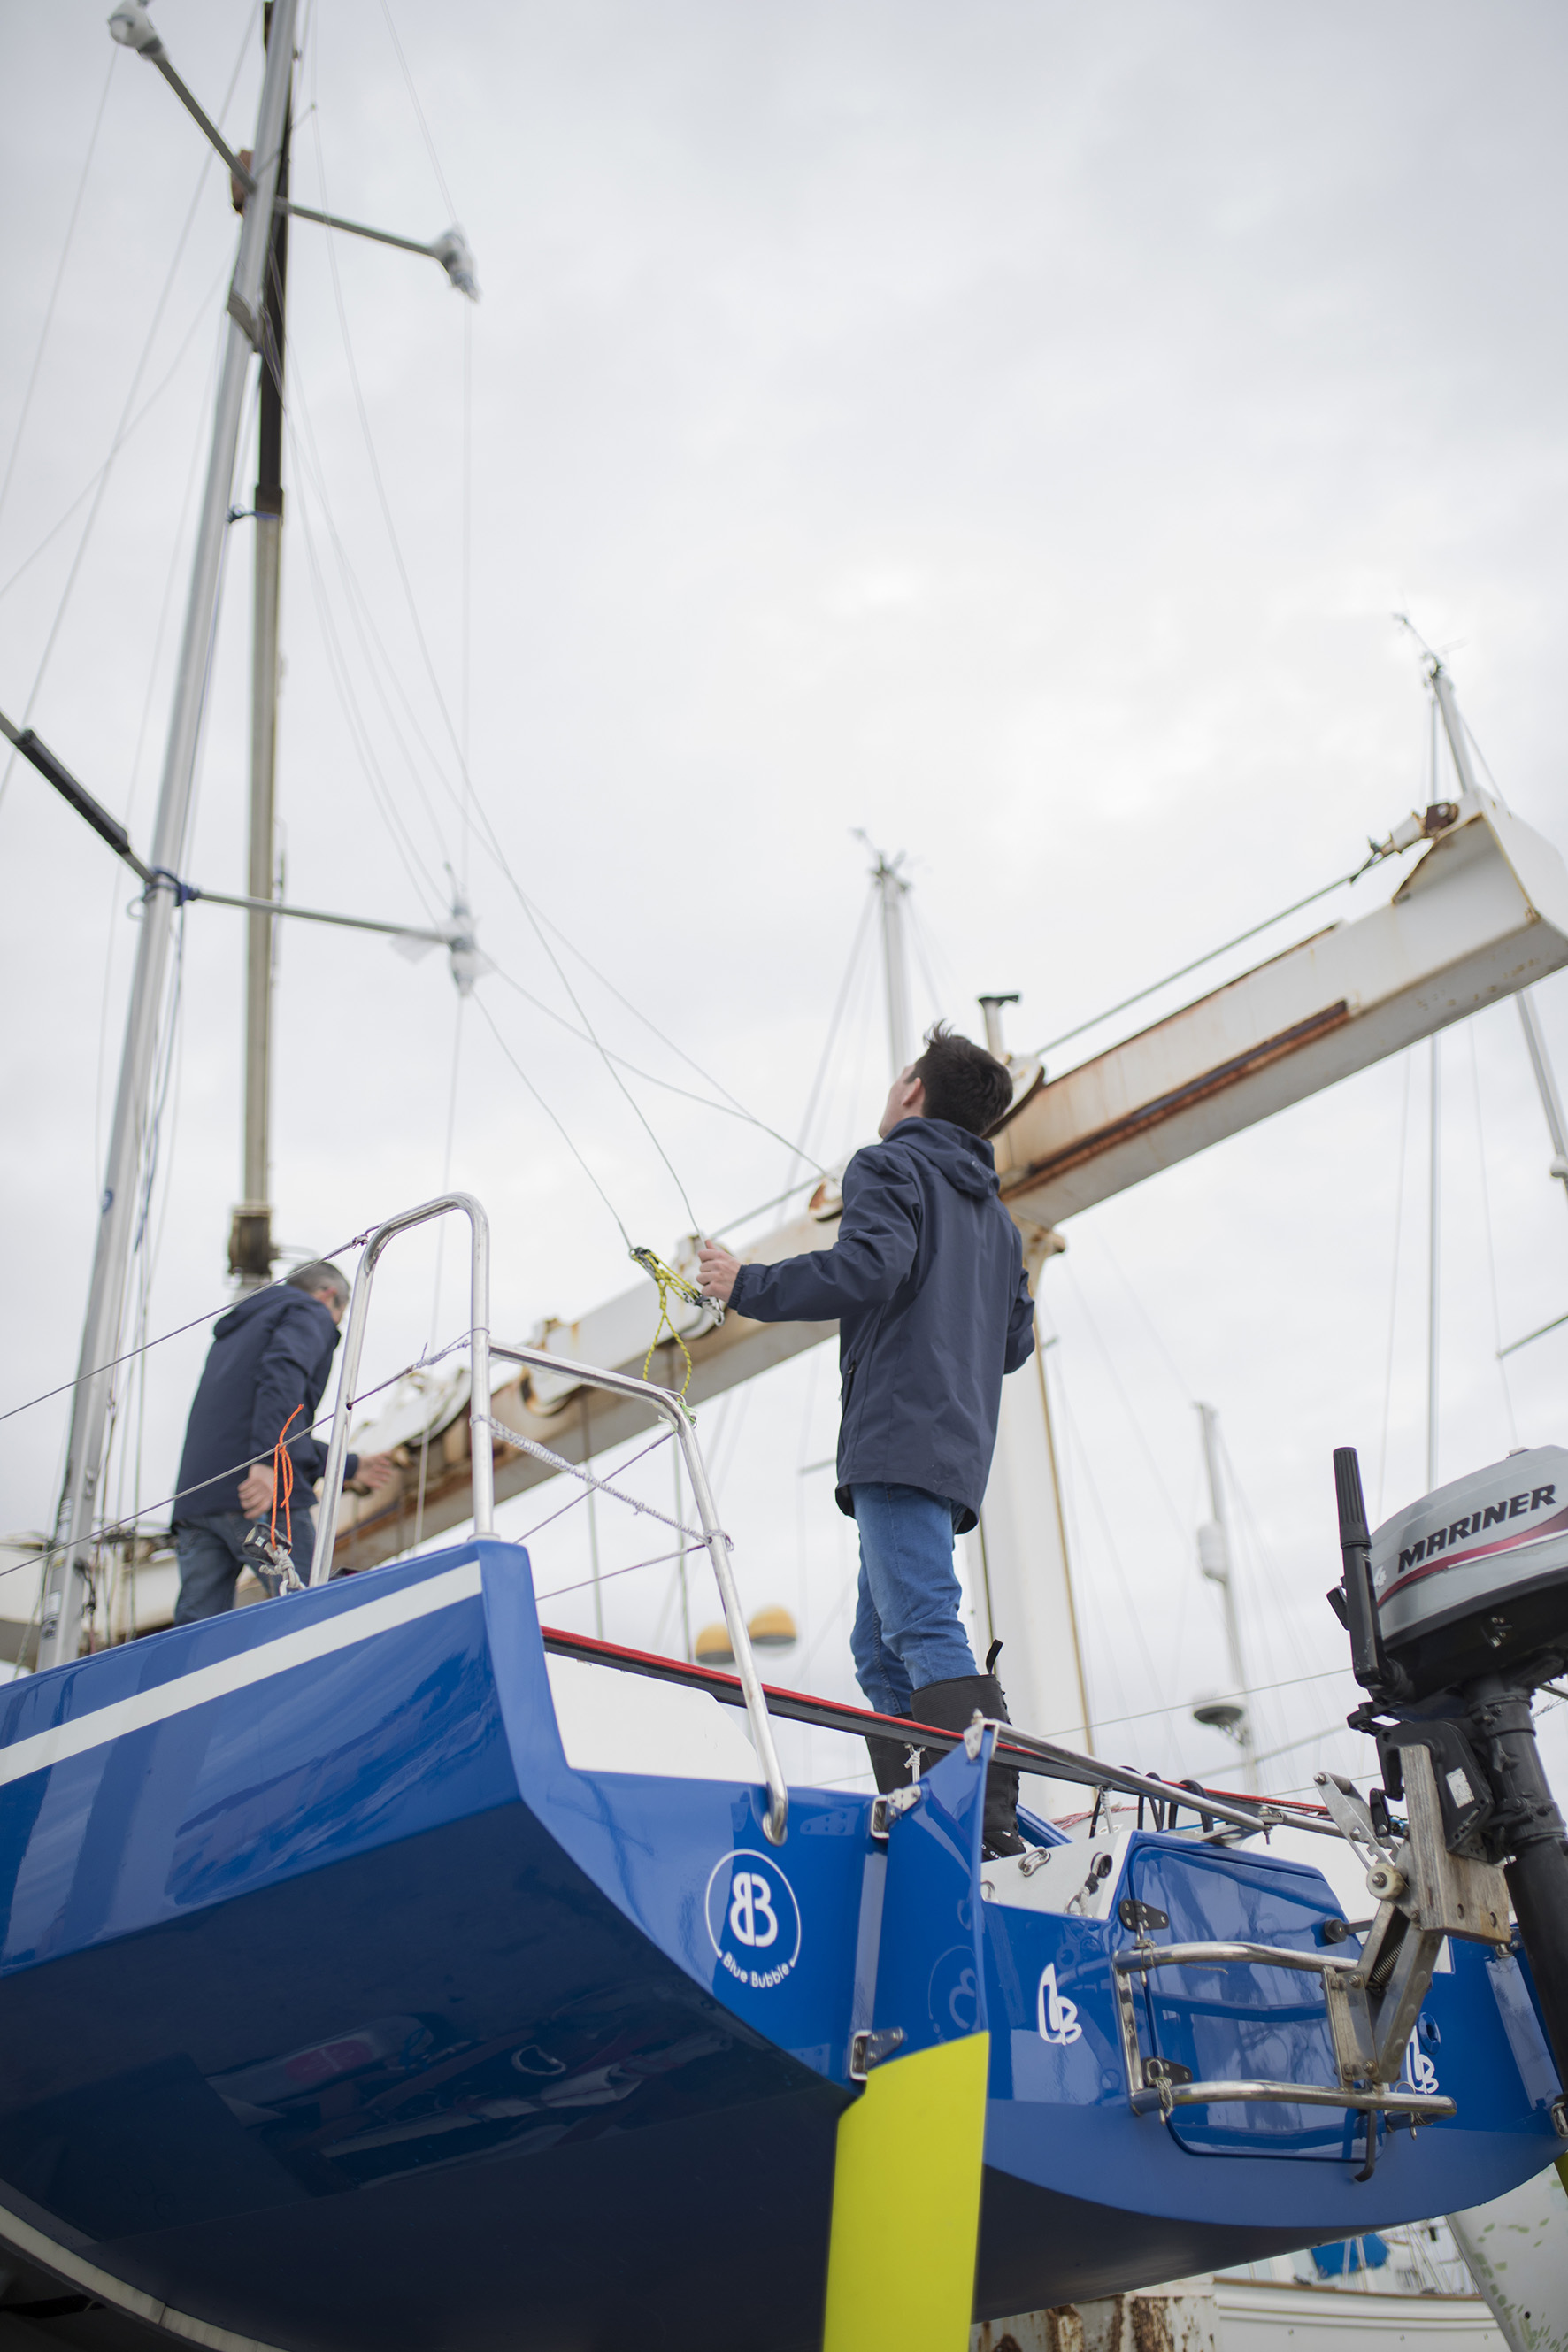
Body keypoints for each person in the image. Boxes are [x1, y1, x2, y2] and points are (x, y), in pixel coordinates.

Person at [697, 1024, 1034, 1855]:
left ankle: (979, 1821)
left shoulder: (888, 1165)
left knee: (919, 1623)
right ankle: (922, 1801)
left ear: (913, 1090)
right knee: (878, 1645)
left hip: (894, 1432)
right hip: (955, 1447)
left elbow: (870, 1268)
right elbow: (1013, 1344)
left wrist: (748, 1284)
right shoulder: (998, 1221)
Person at [172, 1261, 396, 1623]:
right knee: (309, 1614)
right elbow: (283, 1379)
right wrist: (266, 1462)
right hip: (256, 1493)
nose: (336, 1322)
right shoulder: (309, 1311)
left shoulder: (239, 1329)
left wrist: (350, 1465)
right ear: (329, 1296)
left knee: (193, 1637)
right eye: (341, 1312)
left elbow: (267, 1418)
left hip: (197, 1501)